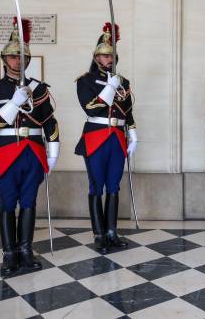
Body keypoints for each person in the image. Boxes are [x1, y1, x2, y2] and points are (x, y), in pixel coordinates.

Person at [0, 18, 59, 276]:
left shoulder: (40, 88)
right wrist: (14, 102)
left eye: (21, 56)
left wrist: (53, 149)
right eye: (12, 57)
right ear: (4, 60)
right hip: (6, 151)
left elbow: (49, 121)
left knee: (28, 201)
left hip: (34, 151)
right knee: (7, 202)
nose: (17, 61)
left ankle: (25, 249)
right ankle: (9, 253)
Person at [75, 23, 137, 254]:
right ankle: (99, 234)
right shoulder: (85, 81)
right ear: (96, 57)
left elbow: (128, 111)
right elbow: (90, 108)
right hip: (96, 137)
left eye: (111, 55)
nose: (109, 58)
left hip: (117, 138)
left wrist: (132, 131)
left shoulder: (124, 82)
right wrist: (109, 89)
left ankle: (112, 231)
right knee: (96, 186)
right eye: (104, 55)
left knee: (113, 186)